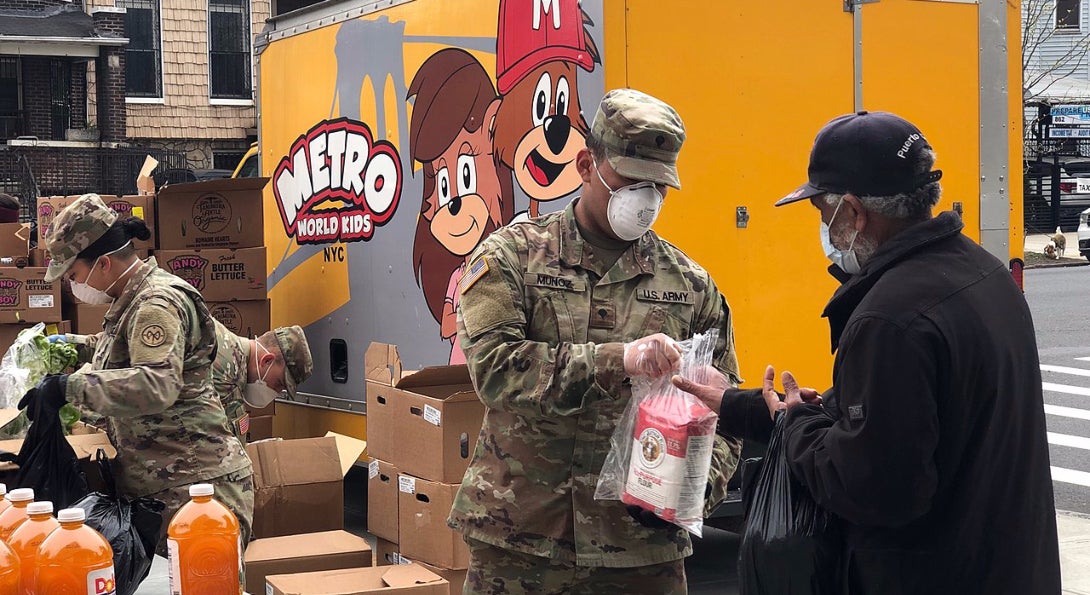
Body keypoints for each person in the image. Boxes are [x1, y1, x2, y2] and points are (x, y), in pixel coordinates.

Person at [673, 111, 1062, 594]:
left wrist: (795, 427)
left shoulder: (890, 318)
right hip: (1008, 566)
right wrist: (741, 405)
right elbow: (887, 420)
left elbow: (875, 487)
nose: (826, 233)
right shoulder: (982, 273)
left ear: (854, 212)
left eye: (823, 214)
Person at [449, 88, 744, 595]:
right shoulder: (513, 258)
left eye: (659, 187)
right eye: (632, 182)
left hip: (640, 554)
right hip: (524, 543)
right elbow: (495, 370)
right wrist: (619, 360)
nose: (646, 200)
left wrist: (689, 490)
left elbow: (725, 409)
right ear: (587, 164)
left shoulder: (690, 284)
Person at [19, 193, 255, 561]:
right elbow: (120, 346)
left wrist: (70, 388)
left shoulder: (155, 304)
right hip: (168, 483)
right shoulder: (134, 297)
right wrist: (70, 345)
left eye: (74, 275)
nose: (72, 285)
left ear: (104, 264)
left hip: (196, 488)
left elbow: (156, 384)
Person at [211, 318, 313, 443]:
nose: (276, 392)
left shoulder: (231, 352)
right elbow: (210, 445)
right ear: (267, 361)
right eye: (278, 384)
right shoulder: (226, 370)